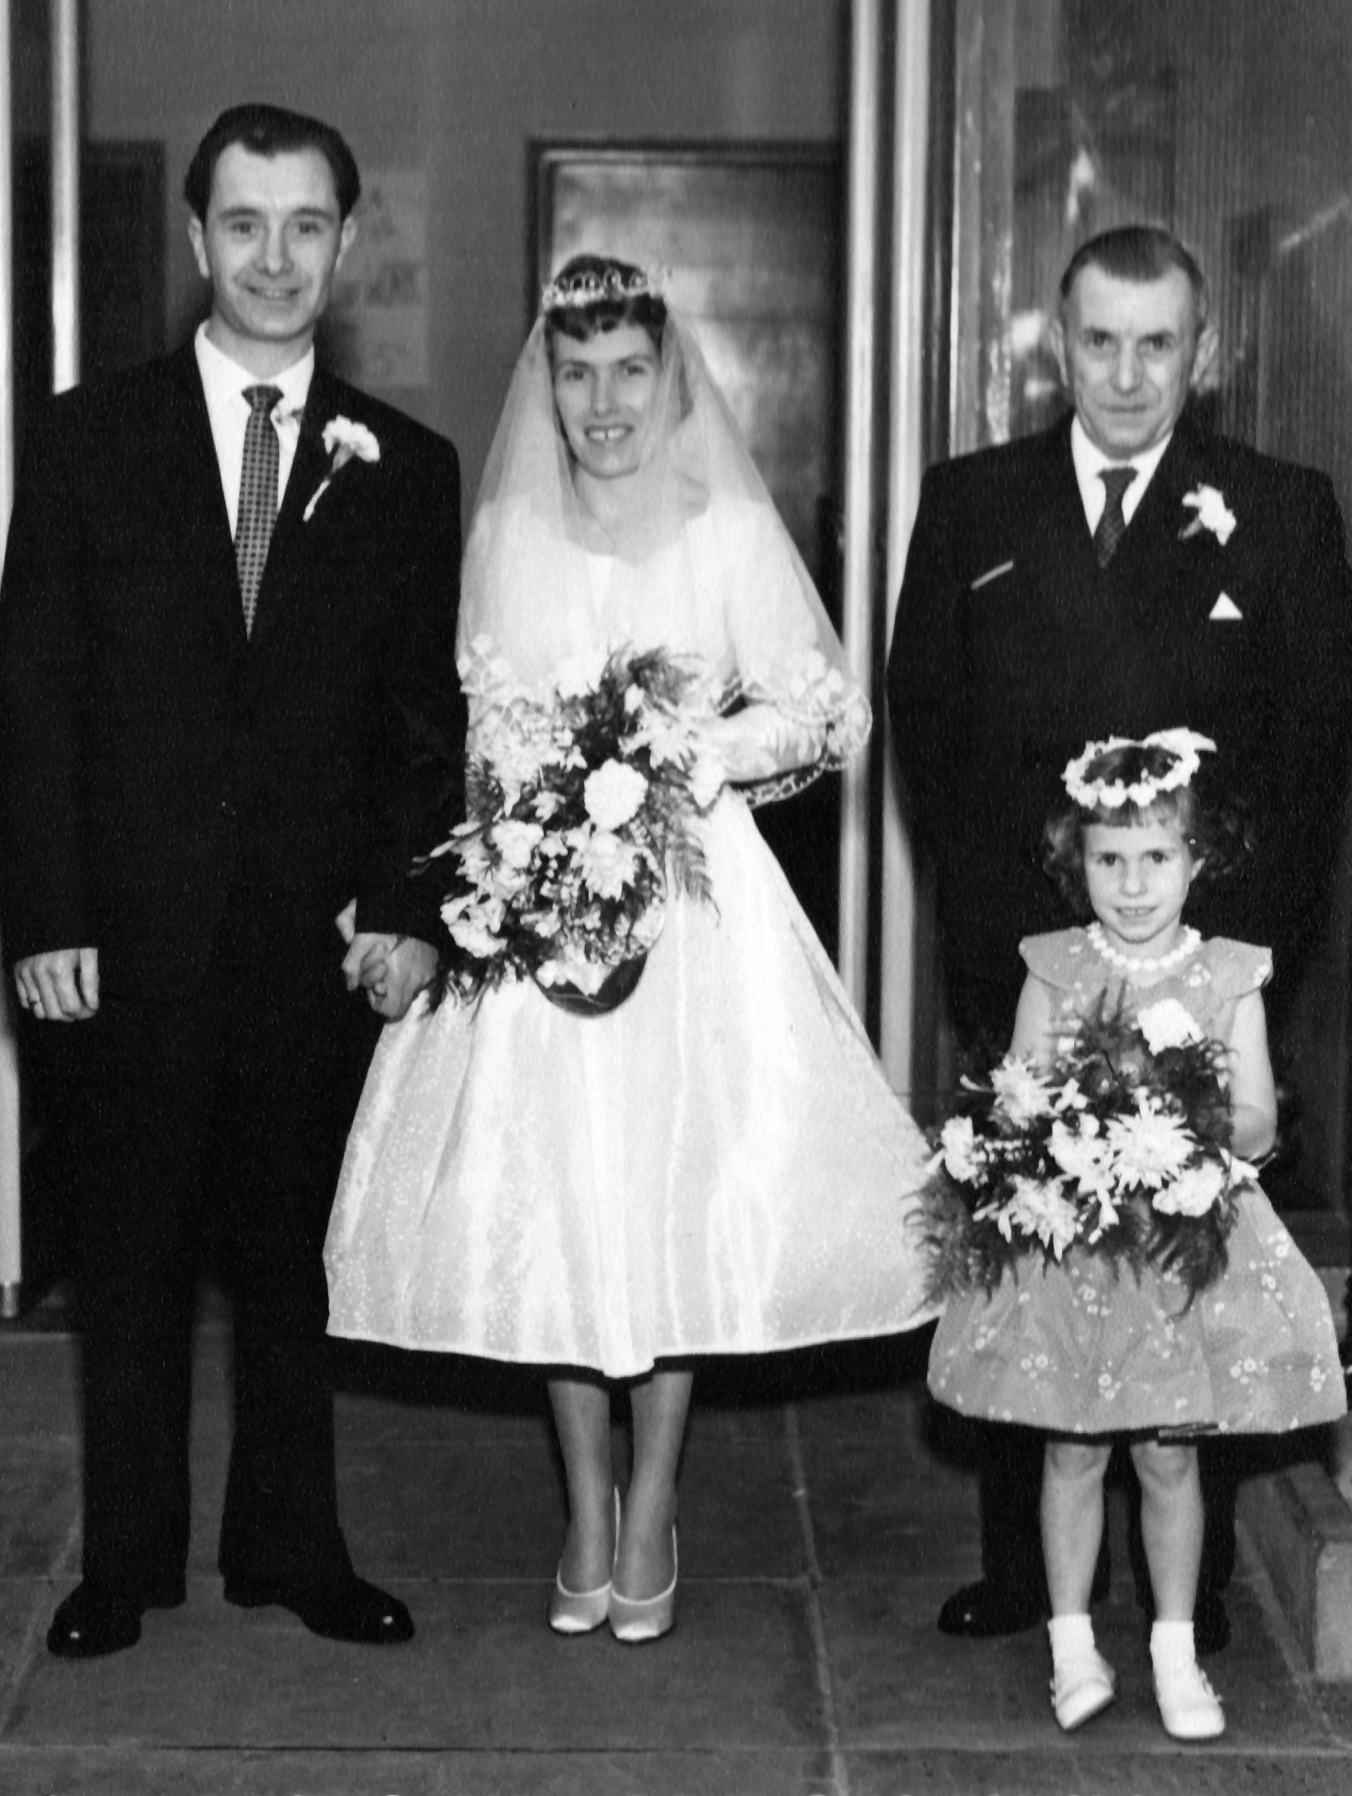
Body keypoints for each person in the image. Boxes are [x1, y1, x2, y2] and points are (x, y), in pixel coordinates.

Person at [323, 256, 937, 1644]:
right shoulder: (508, 533)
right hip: (546, 902)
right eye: (576, 373)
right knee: (560, 1197)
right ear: (546, 384)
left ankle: (652, 1498)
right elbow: (479, 733)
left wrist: (696, 750)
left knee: (673, 1197)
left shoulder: (726, 528)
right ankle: (584, 1507)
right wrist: (522, 842)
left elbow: (822, 710)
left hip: (694, 903)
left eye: (628, 372)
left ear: (668, 380)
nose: (603, 403)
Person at [0, 102, 465, 1660]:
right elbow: (34, 690)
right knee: (126, 1260)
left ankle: (290, 1546)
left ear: (345, 244)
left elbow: (421, 723)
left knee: (293, 1266)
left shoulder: (406, 468)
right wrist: (48, 915)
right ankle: (123, 1564)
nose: (274, 257)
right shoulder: (87, 439)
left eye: (305, 226)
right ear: (197, 239)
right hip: (126, 935)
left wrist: (406, 909)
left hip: (312, 944)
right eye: (244, 224)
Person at [886, 223, 1352, 1652]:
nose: (1128, 373)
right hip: (1032, 957)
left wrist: (1228, 972)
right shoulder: (973, 501)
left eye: (1159, 344)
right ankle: (1023, 1572)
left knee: (1180, 1262)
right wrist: (1002, 946)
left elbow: (1310, 752)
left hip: (1197, 971)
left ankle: (1182, 1587)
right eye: (1101, 341)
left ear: (1202, 353)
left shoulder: (1278, 509)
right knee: (1033, 1248)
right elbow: (928, 727)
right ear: (1059, 344)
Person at [925, 734, 1345, 1741]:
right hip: (1078, 1249)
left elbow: (1258, 1121)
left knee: (1168, 1460)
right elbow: (1021, 1096)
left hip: (1178, 1252)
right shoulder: (1054, 968)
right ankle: (1071, 1643)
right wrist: (1062, 1126)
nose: (1131, 883)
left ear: (1199, 858)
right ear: (1076, 861)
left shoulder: (1225, 976)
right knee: (1069, 1454)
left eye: (1156, 857)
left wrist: (1177, 1114)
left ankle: (1172, 1647)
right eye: (1108, 859)